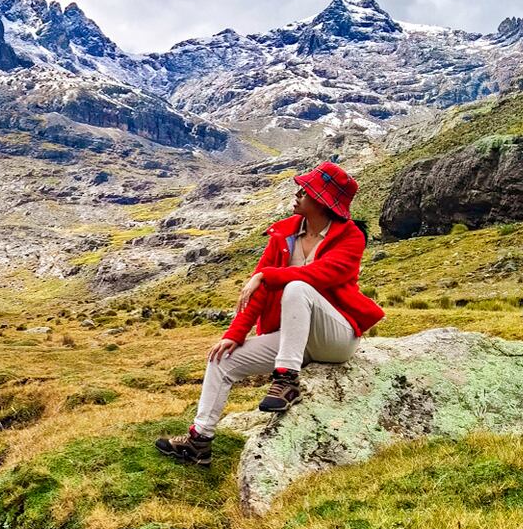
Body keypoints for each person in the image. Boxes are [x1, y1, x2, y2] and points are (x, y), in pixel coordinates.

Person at [155, 161, 385, 466]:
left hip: (335, 338)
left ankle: (286, 380)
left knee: (297, 288)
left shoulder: (350, 236)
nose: (298, 192)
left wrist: (268, 275)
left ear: (322, 201)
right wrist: (234, 335)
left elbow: (323, 275)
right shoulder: (285, 233)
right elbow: (257, 291)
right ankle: (199, 440)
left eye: (306, 189)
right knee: (221, 359)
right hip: (295, 339)